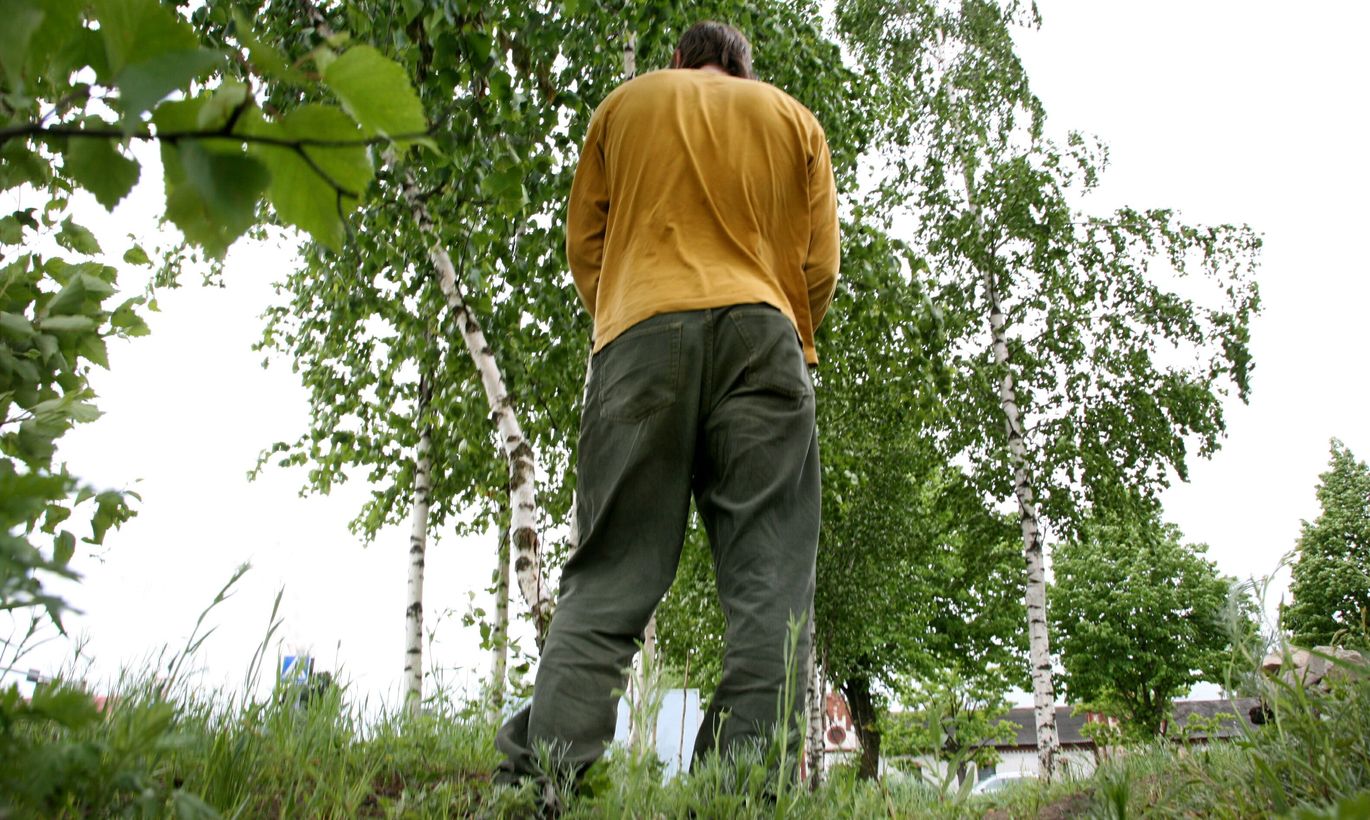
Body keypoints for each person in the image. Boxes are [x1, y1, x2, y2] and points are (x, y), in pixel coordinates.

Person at [495, 19, 840, 796]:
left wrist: (627, 313)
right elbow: (818, 267)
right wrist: (778, 326)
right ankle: (737, 798)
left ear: (679, 59)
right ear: (743, 69)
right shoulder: (794, 121)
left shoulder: (627, 104)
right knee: (770, 587)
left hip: (640, 333)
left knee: (610, 574)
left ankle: (539, 785)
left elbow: (586, 245)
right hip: (764, 334)